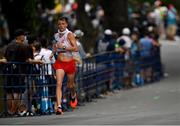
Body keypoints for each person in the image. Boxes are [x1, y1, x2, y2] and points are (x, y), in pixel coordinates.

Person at [53, 17, 78, 115]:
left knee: (70, 85)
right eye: (59, 24)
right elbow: (55, 46)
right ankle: (59, 107)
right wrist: (53, 52)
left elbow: (75, 48)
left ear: (66, 24)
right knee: (58, 84)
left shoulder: (70, 34)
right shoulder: (56, 35)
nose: (61, 26)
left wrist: (63, 47)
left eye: (63, 24)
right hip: (60, 63)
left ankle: (73, 94)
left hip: (69, 62)